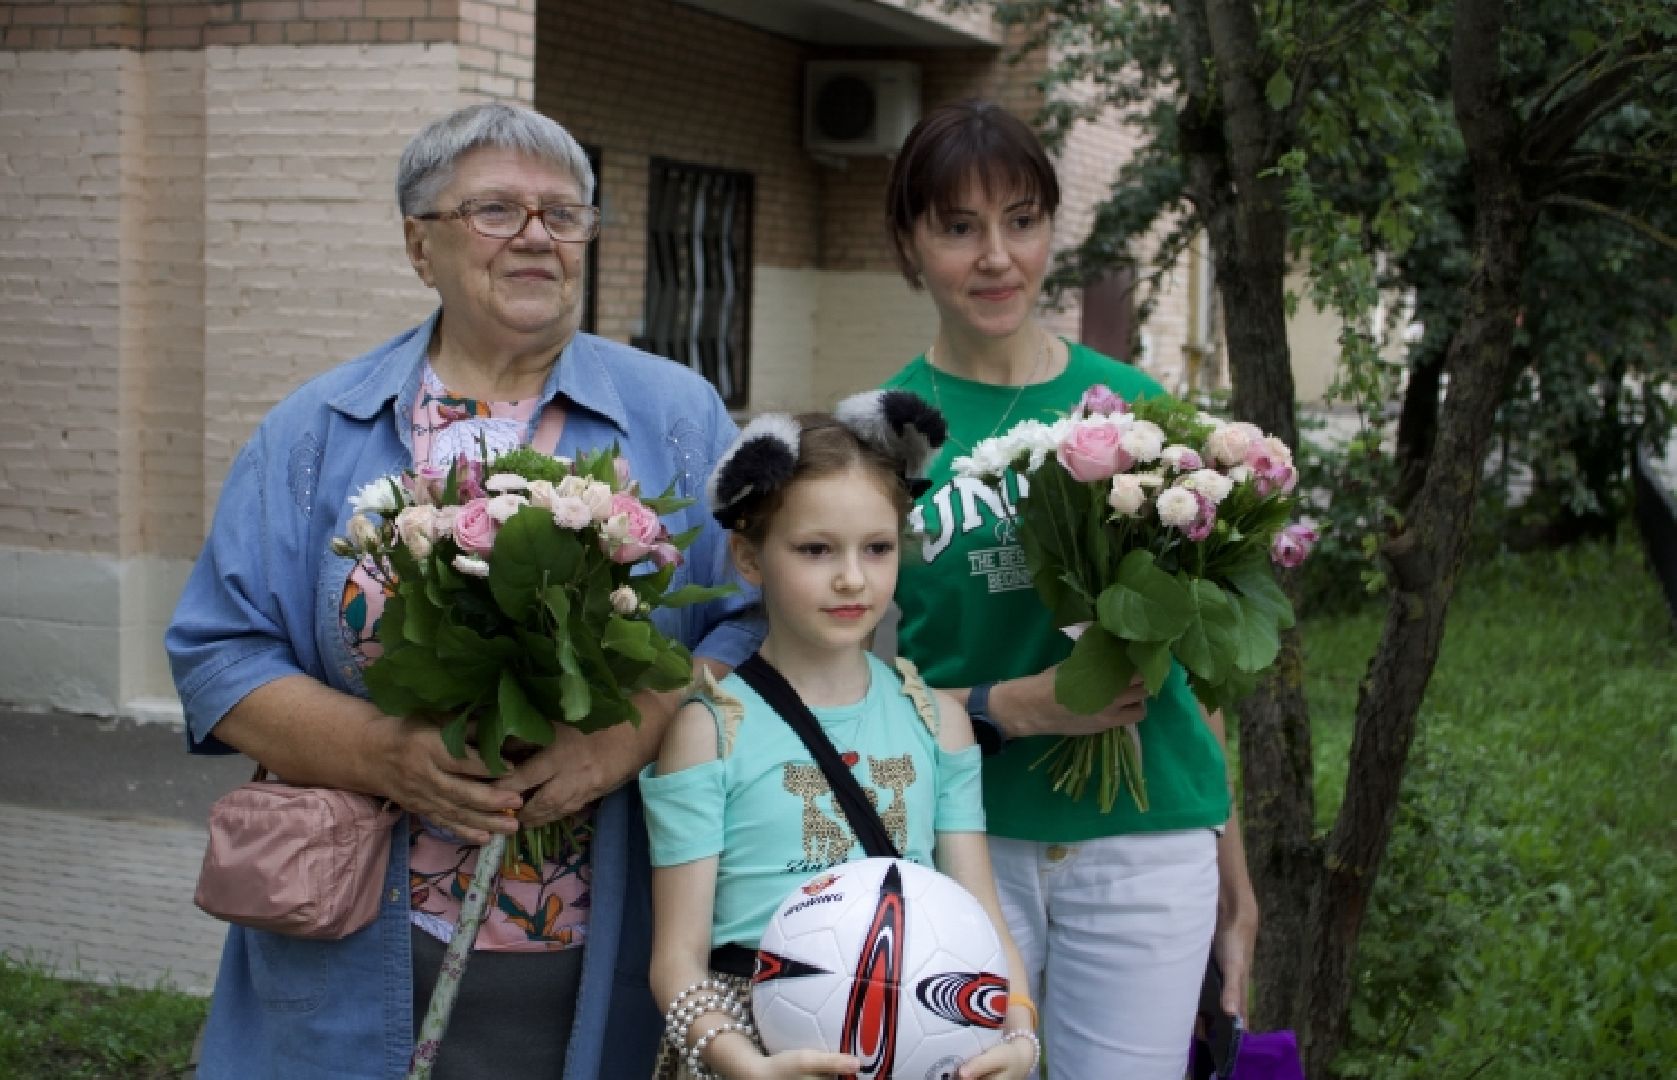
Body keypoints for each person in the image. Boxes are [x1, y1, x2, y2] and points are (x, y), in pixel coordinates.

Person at [165, 102, 761, 1080]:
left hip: (611, 940)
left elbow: (742, 627)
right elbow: (218, 654)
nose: (537, 235)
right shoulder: (317, 431)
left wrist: (629, 731)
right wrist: (385, 752)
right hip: (355, 940)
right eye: (495, 210)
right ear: (419, 244)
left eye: (563, 214)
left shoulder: (677, 415)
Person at [877, 99, 1261, 1080]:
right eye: (958, 227)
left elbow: (1194, 657)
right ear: (910, 245)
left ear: (1052, 227)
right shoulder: (874, 437)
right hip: (970, 840)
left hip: (1146, 839)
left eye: (1021, 219)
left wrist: (1233, 864)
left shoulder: (1128, 409)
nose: (996, 255)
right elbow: (846, 682)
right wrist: (1013, 708)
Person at [640, 391, 1041, 1080]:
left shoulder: (937, 723)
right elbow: (675, 962)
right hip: (751, 1049)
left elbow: (982, 919)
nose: (852, 577)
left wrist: (1021, 1031)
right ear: (749, 557)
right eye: (815, 549)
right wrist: (744, 1064)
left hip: (922, 1046)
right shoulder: (707, 732)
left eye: (877, 548)